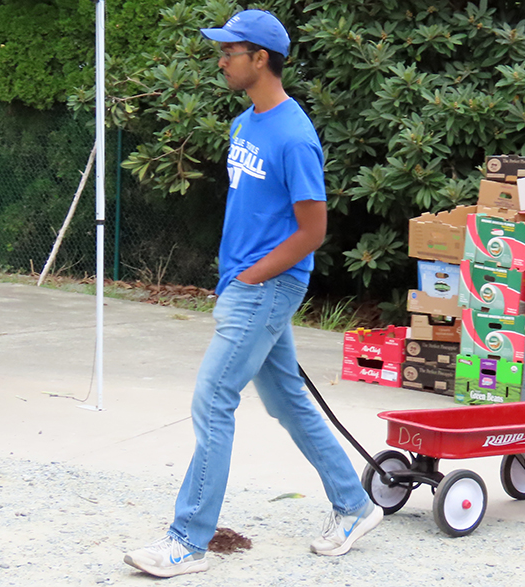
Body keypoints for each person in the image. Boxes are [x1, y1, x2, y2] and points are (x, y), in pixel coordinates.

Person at [123, 9, 382, 578]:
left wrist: (252, 279)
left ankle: (187, 542)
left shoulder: (295, 137)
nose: (221, 60)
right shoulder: (246, 125)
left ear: (259, 58)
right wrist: (235, 276)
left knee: (213, 397)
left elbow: (312, 231)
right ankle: (355, 504)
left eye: (229, 51)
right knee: (288, 402)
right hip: (244, 283)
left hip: (265, 287)